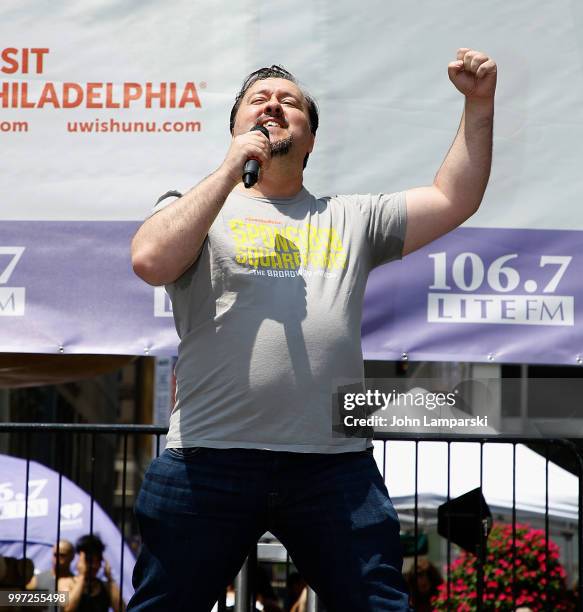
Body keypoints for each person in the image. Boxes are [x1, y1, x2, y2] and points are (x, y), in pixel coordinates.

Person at [129, 49, 497, 611]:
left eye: (290, 102)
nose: (274, 104)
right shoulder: (193, 207)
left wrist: (478, 104)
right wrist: (230, 171)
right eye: (259, 100)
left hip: (331, 468)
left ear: (310, 140)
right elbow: (151, 260)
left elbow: (454, 198)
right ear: (236, 128)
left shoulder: (350, 217)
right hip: (208, 459)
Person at [59, 534, 125, 612]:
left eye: (98, 561)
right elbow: (67, 609)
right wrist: (82, 575)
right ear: (80, 560)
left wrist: (110, 578)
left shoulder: (106, 587)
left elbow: (122, 610)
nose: (94, 566)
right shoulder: (65, 583)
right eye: (89, 561)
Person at [27, 539, 75, 612]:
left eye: (62, 555)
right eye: (55, 555)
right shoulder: (36, 580)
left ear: (72, 557)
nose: (58, 558)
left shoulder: (75, 583)